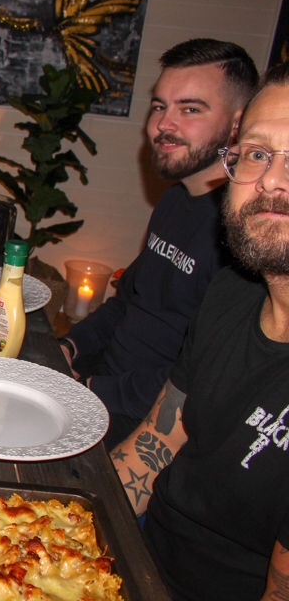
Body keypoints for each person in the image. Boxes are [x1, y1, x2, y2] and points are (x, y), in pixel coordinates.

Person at [110, 62, 289, 600]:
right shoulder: (233, 291)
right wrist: (53, 530)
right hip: (139, 553)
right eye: (257, 153)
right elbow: (159, 438)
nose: (272, 179)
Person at [59, 39, 258, 447]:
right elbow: (127, 303)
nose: (164, 124)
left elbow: (202, 378)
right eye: (159, 106)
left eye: (190, 109)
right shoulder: (174, 201)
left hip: (148, 426)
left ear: (238, 125)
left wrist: (91, 388)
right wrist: (69, 347)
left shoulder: (245, 234)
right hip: (100, 390)